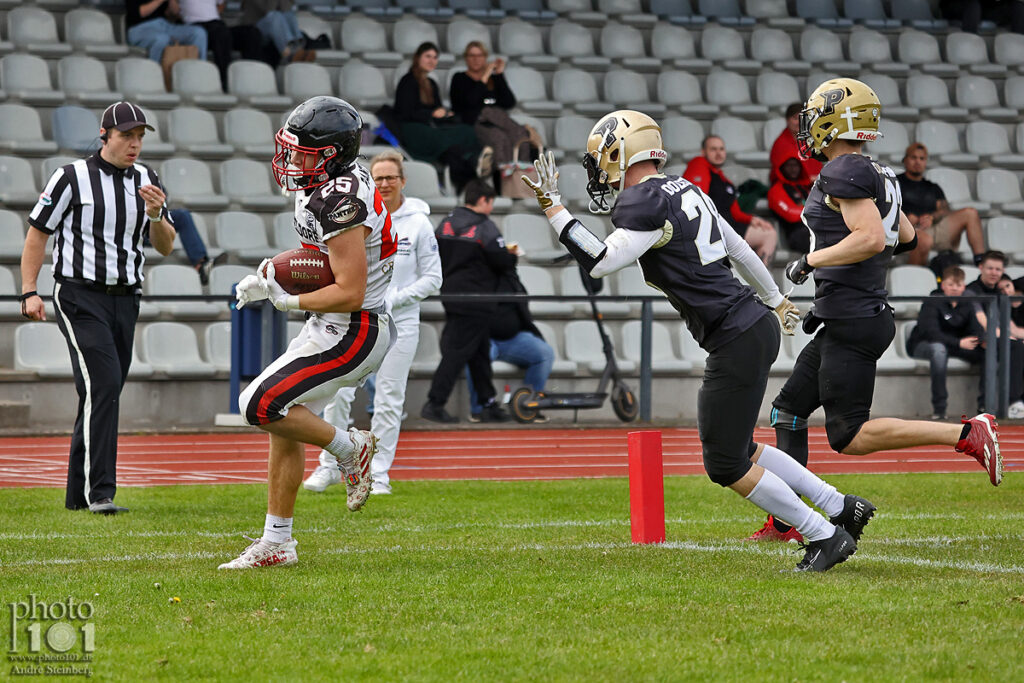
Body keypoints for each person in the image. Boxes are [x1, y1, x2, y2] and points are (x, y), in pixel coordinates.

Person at [522, 110, 877, 573]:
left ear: (619, 152)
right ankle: (840, 506)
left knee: (724, 463)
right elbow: (738, 246)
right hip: (750, 324)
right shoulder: (685, 189)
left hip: (735, 334)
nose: (598, 170)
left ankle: (824, 534)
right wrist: (775, 299)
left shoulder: (644, 202)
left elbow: (601, 261)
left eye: (601, 159)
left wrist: (553, 208)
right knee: (740, 449)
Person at [760, 78, 1002, 545]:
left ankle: (967, 432)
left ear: (837, 120)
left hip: (855, 316)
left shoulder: (842, 171)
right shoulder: (878, 171)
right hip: (852, 311)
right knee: (787, 412)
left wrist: (809, 261)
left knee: (848, 436)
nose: (807, 129)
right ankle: (785, 523)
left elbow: (872, 238)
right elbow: (906, 236)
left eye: (815, 117)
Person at [219, 96, 396, 569]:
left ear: (332, 154)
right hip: (332, 324)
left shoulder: (341, 200)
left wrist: (287, 299)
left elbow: (352, 290)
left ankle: (349, 447)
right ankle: (278, 542)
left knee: (257, 404)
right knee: (283, 420)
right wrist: (271, 277)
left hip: (356, 329)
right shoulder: (318, 182)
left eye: (301, 151)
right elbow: (319, 261)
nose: (291, 159)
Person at [20, 102, 177, 515]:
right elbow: (38, 234)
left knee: (100, 391)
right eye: (128, 135)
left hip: (126, 297)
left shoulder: (148, 180)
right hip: (78, 295)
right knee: (104, 384)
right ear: (105, 134)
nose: (136, 144)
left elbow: (165, 245)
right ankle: (99, 494)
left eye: (141, 136)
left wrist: (157, 214)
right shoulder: (71, 176)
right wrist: (28, 291)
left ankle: (77, 495)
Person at [303, 151, 442, 495]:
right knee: (338, 393)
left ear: (402, 181)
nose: (384, 184)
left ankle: (378, 474)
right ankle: (330, 466)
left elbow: (434, 279)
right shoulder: (359, 216)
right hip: (359, 321)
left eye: (391, 178)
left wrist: (395, 298)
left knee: (389, 399)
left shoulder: (419, 223)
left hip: (401, 323)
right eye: (378, 178)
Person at [421, 180, 513, 424]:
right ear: (483, 200)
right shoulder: (486, 227)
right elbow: (502, 261)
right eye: (490, 202)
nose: (491, 208)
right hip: (478, 299)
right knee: (455, 353)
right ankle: (435, 403)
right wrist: (511, 256)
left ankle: (487, 403)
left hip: (451, 295)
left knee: (479, 352)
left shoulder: (446, 223)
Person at [464, 260, 555, 422]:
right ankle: (479, 409)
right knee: (476, 355)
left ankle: (529, 405)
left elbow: (523, 309)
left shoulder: (511, 279)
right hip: (484, 339)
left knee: (545, 353)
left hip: (513, 338)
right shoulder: (474, 280)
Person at [395, 42, 490, 193]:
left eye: (435, 57)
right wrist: (431, 114)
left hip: (431, 127)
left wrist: (445, 114)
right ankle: (475, 164)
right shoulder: (408, 81)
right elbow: (404, 113)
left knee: (458, 142)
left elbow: (437, 109)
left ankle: (472, 179)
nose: (432, 60)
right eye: (428, 56)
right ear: (418, 58)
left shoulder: (432, 83)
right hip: (414, 131)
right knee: (457, 138)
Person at [683, 135, 778, 264]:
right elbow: (697, 201)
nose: (718, 153)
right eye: (713, 149)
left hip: (728, 227)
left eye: (721, 149)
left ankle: (758, 276)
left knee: (768, 231)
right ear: (703, 152)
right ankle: (761, 279)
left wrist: (752, 219)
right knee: (769, 235)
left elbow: (735, 212)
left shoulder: (723, 179)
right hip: (714, 230)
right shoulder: (699, 163)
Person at [906, 266, 984, 421]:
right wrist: (959, 342)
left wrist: (980, 339)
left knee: (987, 352)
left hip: (953, 345)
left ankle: (985, 406)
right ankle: (940, 409)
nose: (954, 288)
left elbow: (976, 329)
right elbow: (930, 333)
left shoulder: (967, 304)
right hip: (924, 345)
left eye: (958, 285)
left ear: (964, 286)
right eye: (950, 284)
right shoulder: (932, 301)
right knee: (939, 350)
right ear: (942, 286)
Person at [450, 41, 539, 171]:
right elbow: (469, 102)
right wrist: (485, 75)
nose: (476, 59)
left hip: (499, 121)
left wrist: (499, 75)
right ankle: (505, 177)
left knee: (520, 136)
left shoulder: (494, 80)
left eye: (480, 56)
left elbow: (509, 102)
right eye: (472, 56)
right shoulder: (459, 78)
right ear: (466, 58)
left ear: (485, 57)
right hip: (475, 122)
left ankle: (522, 174)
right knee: (499, 138)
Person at [897, 142, 985, 274]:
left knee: (970, 213)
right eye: (913, 157)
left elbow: (944, 210)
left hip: (935, 227)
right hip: (909, 229)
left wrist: (932, 217)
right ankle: (915, 276)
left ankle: (982, 262)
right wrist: (905, 217)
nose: (917, 162)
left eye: (922, 159)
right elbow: (887, 206)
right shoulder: (896, 182)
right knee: (923, 239)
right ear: (905, 160)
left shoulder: (933, 187)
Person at [965, 250, 1024, 416]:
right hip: (974, 339)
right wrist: (1010, 338)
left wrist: (1014, 337)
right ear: (981, 267)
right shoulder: (972, 291)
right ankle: (1011, 403)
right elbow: (984, 324)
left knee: (1018, 346)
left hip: (996, 339)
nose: (994, 273)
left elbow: (1010, 326)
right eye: (990, 268)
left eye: (998, 270)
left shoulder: (1000, 292)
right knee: (1014, 348)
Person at [179, 0, 262, 91]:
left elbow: (221, 5)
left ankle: (253, 79)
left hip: (216, 25)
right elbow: (172, 10)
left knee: (251, 33)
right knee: (221, 33)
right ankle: (226, 81)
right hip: (195, 27)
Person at [125, 0, 208, 65]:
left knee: (198, 33)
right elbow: (139, 13)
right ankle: (153, 78)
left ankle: (198, 75)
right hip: (140, 28)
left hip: (164, 25)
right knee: (162, 39)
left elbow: (175, 13)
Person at [239, 0, 315, 64]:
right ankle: (289, 54)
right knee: (275, 16)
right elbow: (269, 10)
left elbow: (286, 8)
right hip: (254, 28)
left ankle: (298, 49)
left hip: (274, 29)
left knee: (289, 14)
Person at [766, 155, 812, 254]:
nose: (793, 169)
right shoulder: (775, 190)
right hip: (796, 235)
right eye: (789, 165)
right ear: (782, 167)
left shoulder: (802, 187)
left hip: (811, 229)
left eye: (796, 165)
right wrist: (813, 211)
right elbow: (791, 215)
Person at [768, 103, 822, 186]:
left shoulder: (809, 140)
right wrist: (809, 179)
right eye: (795, 118)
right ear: (787, 120)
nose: (799, 122)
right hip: (789, 188)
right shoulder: (781, 144)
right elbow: (784, 176)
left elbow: (816, 166)